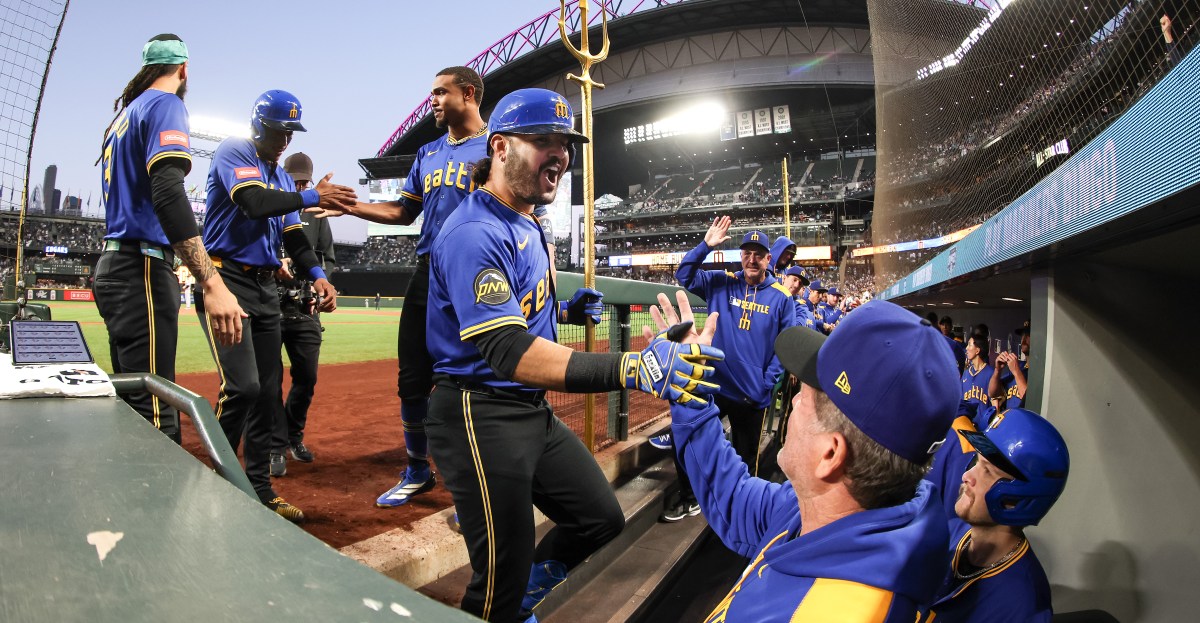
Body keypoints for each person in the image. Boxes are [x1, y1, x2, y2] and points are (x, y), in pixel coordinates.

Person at [424, 88, 721, 623]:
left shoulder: (526, 219)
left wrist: (562, 311)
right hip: (479, 412)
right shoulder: (474, 230)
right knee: (497, 581)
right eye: (543, 140)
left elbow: (515, 311)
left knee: (599, 518)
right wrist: (634, 367)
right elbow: (506, 350)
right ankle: (508, 607)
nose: (559, 154)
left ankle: (522, 601)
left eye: (565, 144)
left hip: (527, 411)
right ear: (499, 148)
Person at [660, 296, 960, 622]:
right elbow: (734, 498)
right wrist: (689, 388)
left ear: (830, 454)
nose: (794, 401)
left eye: (805, 396)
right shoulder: (864, 513)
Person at [307, 66, 490, 509]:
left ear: (468, 94)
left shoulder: (499, 146)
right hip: (429, 273)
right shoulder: (427, 153)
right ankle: (417, 469)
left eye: (440, 93)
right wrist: (349, 206)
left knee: (481, 379)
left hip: (481, 273)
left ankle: (478, 482)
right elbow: (402, 213)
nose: (432, 100)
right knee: (411, 378)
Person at [197, 90, 352, 521]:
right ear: (258, 125)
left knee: (267, 394)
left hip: (266, 287)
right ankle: (217, 474)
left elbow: (294, 239)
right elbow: (252, 203)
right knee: (243, 386)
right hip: (225, 279)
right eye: (278, 128)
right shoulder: (235, 151)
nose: (285, 138)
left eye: (291, 130)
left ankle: (261, 491)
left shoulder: (282, 176)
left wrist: (319, 276)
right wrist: (312, 197)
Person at [94, 34, 243, 442]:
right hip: (140, 266)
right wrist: (211, 280)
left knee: (132, 405)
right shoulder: (166, 104)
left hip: (114, 266)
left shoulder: (122, 118)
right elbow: (167, 192)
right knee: (157, 413)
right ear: (183, 69)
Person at [671, 220, 797, 517]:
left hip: (751, 395)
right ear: (741, 256)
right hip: (714, 383)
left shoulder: (782, 296)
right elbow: (684, 275)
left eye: (758, 254)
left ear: (769, 259)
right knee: (688, 438)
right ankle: (688, 496)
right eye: (746, 253)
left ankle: (741, 513)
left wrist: (766, 383)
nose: (751, 259)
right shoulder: (722, 281)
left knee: (746, 458)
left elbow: (785, 344)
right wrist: (706, 246)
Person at [922, 408, 1070, 622]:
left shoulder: (1023, 608)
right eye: (976, 463)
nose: (966, 476)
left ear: (1014, 500)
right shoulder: (953, 531)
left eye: (988, 471)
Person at [267, 152, 334, 476]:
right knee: (270, 381)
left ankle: (294, 435)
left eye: (306, 181)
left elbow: (329, 257)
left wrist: (323, 283)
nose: (302, 185)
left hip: (305, 306)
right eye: (297, 181)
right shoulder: (270, 203)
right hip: (270, 302)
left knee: (306, 378)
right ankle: (275, 445)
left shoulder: (317, 214)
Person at [962, 333, 993, 411]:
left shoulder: (990, 373)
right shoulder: (966, 373)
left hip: (983, 422)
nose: (966, 348)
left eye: (969, 345)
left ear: (977, 350)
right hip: (967, 422)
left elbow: (995, 406)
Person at [780, 266, 814, 331]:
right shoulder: (773, 296)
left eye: (800, 283)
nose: (796, 285)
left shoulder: (800, 306)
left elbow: (796, 330)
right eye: (794, 280)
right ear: (784, 279)